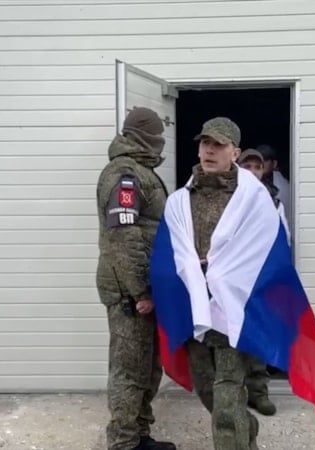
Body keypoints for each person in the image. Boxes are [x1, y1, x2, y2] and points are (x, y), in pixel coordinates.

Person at [95, 107, 176, 450]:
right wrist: (140, 291)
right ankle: (124, 443)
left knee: (147, 366)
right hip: (130, 294)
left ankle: (140, 435)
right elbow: (123, 238)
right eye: (160, 134)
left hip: (146, 289)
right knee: (130, 369)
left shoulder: (138, 170)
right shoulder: (125, 175)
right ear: (149, 137)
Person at [183, 117, 260, 449]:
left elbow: (265, 250)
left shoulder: (251, 198)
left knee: (227, 398)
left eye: (218, 145)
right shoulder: (182, 199)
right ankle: (246, 426)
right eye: (205, 143)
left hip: (234, 311)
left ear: (235, 152)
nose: (209, 150)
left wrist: (222, 267)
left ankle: (236, 437)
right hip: (195, 310)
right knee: (209, 391)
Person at [234, 149, 279, 417]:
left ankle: (258, 392)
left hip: (261, 279)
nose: (252, 171)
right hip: (232, 279)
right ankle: (232, 394)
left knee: (260, 335)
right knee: (230, 337)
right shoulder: (227, 197)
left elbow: (281, 237)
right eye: (246, 165)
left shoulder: (272, 200)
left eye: (257, 167)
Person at [256, 144, 292, 234]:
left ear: (274, 164)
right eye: (259, 159)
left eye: (265, 159)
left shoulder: (282, 185)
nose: (262, 163)